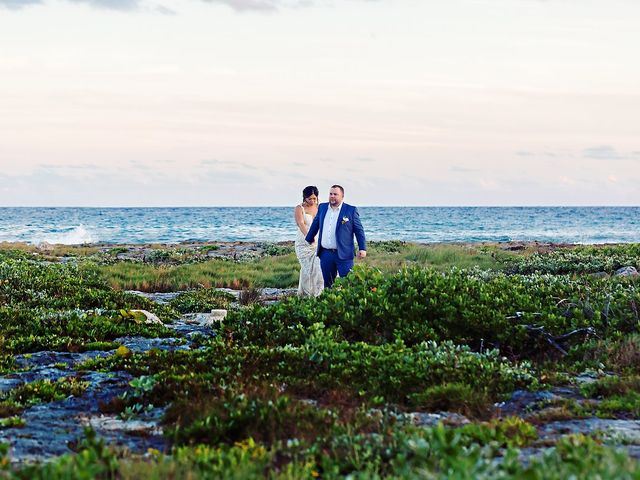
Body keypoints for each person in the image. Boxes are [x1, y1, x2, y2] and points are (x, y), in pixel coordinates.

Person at [305, 185, 366, 288]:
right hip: (326, 254)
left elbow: (359, 230)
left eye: (335, 194)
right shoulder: (323, 207)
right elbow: (316, 223)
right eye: (330, 194)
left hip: (344, 254)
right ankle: (329, 303)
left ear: (342, 196)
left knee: (347, 284)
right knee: (328, 285)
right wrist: (309, 238)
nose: (332, 196)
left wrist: (362, 248)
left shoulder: (350, 210)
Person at [294, 186, 324, 297]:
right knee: (307, 269)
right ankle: (307, 294)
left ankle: (316, 293)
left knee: (318, 267)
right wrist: (309, 237)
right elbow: (301, 223)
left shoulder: (320, 207)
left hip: (317, 243)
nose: (312, 201)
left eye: (314, 198)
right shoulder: (299, 208)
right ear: (305, 198)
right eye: (309, 199)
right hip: (303, 244)